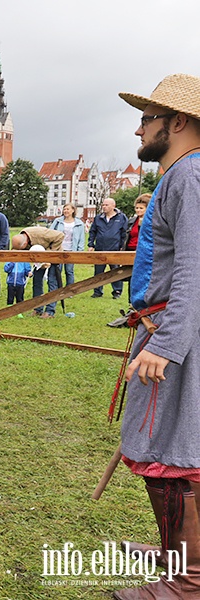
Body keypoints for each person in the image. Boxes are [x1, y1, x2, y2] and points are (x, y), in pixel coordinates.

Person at [104, 73, 200, 599]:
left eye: (146, 119)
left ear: (178, 122)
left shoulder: (191, 177)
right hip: (165, 325)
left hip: (177, 334)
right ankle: (175, 555)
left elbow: (194, 270)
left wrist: (165, 344)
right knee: (166, 447)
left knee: (180, 455)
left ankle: (189, 581)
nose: (138, 131)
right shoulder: (180, 175)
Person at [11, 227, 65, 318]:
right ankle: (37, 309)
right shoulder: (20, 238)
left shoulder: (41, 234)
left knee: (52, 283)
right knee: (37, 283)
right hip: (39, 259)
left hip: (54, 258)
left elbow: (60, 236)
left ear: (25, 243)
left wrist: (49, 254)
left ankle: (50, 311)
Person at [88, 197, 128, 298]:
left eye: (106, 205)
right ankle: (97, 291)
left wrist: (122, 247)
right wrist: (91, 244)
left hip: (114, 249)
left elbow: (125, 233)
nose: (104, 207)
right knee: (98, 272)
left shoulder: (121, 218)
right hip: (100, 248)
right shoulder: (98, 218)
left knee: (115, 272)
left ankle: (117, 291)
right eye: (103, 205)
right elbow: (93, 231)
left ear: (113, 206)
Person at [49, 203, 86, 287]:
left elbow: (81, 238)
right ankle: (56, 289)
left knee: (69, 271)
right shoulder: (58, 221)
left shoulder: (79, 223)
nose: (66, 211)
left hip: (71, 250)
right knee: (57, 270)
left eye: (68, 209)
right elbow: (50, 233)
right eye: (64, 209)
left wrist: (80, 251)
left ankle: (69, 290)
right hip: (59, 249)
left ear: (73, 210)